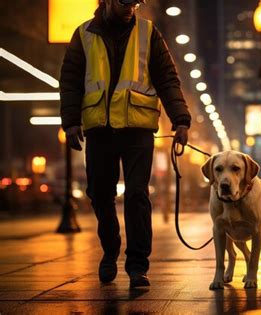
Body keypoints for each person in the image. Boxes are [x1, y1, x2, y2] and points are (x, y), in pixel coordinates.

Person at [59, 0, 191, 288]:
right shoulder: (84, 35)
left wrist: (180, 119)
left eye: (136, 1)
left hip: (137, 128)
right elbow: (70, 81)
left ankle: (137, 266)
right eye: (124, 1)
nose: (131, 7)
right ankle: (110, 250)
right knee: (100, 195)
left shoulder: (148, 32)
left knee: (136, 195)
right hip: (99, 129)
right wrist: (70, 122)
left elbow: (167, 78)